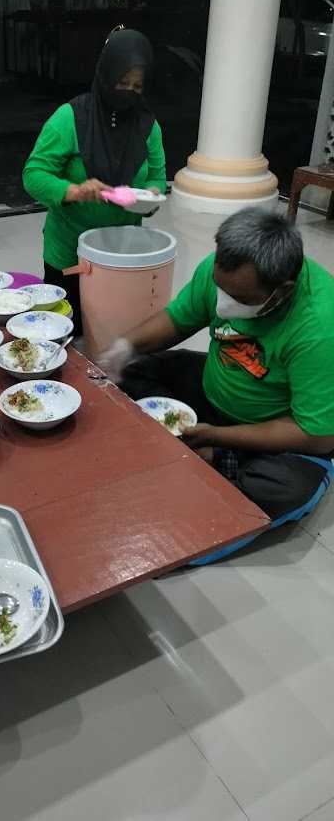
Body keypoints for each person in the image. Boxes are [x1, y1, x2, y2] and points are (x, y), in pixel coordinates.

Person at [100, 209, 334, 559]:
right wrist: (123, 347)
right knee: (135, 371)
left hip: (279, 430)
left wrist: (214, 435)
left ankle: (213, 457)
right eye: (220, 288)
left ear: (282, 291)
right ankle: (205, 456)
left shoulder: (319, 327)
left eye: (239, 299)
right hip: (215, 391)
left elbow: (317, 435)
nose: (223, 305)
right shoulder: (227, 269)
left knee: (285, 487)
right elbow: (178, 320)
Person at [22, 27, 167, 334]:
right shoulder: (71, 118)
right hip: (69, 253)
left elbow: (157, 176)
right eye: (121, 82)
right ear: (105, 74)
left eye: (137, 86)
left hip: (121, 257)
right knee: (66, 334)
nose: (127, 92)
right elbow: (33, 175)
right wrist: (72, 190)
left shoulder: (147, 126)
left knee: (110, 333)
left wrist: (152, 195)